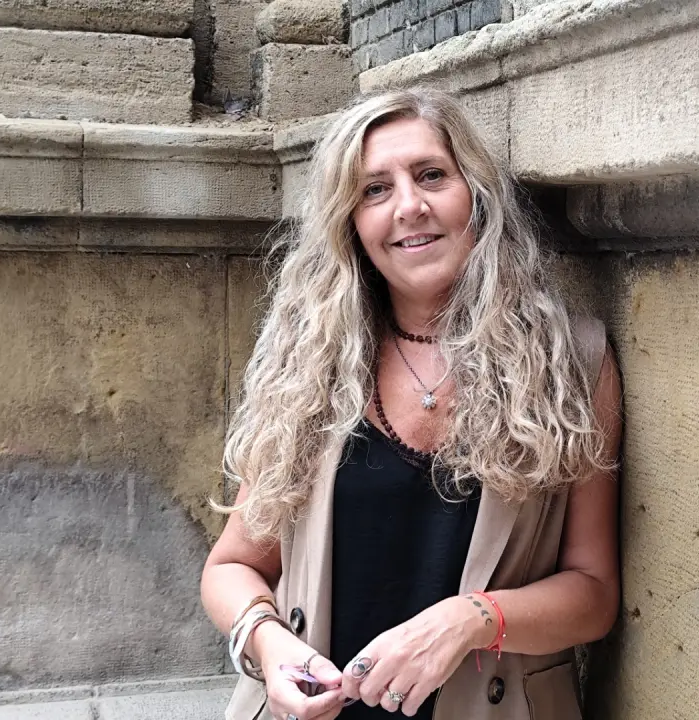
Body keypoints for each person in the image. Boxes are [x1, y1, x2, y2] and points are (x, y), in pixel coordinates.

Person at [200, 87, 623, 720]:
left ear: (477, 195)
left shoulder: (573, 362)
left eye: (431, 176)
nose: (409, 206)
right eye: (375, 190)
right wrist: (266, 640)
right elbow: (233, 565)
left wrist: (472, 620)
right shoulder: (309, 364)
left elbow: (593, 595)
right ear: (350, 223)